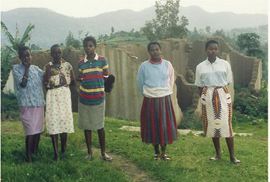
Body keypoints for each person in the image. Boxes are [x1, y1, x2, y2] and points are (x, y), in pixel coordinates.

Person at [194, 40, 241, 164]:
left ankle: (232, 156)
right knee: (213, 124)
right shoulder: (200, 66)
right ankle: (218, 153)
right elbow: (199, 84)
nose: (213, 51)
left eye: (215, 49)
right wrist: (204, 96)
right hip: (208, 95)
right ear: (206, 50)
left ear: (218, 50)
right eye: (210, 49)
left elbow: (228, 80)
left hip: (221, 94)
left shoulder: (224, 64)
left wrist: (219, 92)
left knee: (226, 124)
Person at [137, 42, 177, 161]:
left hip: (164, 98)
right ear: (149, 52)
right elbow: (140, 83)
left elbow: (171, 80)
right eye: (152, 50)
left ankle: (164, 153)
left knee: (164, 125)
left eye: (157, 49)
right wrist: (147, 93)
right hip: (150, 98)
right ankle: (156, 152)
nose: (155, 52)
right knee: (153, 124)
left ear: (161, 50)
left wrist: (164, 91)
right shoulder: (144, 66)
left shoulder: (167, 64)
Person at [78, 36, 112, 161]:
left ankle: (103, 153)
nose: (88, 48)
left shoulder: (103, 61)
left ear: (95, 46)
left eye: (90, 46)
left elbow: (105, 77)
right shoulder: (81, 63)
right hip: (85, 99)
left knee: (99, 126)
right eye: (86, 46)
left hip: (98, 99)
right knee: (87, 126)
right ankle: (90, 153)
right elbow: (81, 78)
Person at [13, 46, 46, 163]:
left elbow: (46, 77)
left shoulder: (36, 69)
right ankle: (28, 156)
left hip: (38, 103)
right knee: (31, 130)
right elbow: (22, 84)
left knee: (38, 130)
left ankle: (35, 151)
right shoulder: (16, 69)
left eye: (28, 55)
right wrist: (26, 69)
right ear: (20, 57)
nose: (27, 58)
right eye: (24, 56)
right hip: (26, 104)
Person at [43, 44, 75, 162]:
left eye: (59, 52)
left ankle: (64, 149)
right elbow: (45, 84)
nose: (57, 55)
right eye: (55, 53)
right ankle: (56, 153)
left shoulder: (68, 66)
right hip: (52, 95)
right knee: (53, 121)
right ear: (51, 54)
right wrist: (51, 84)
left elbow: (72, 82)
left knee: (64, 120)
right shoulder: (47, 67)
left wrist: (65, 81)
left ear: (62, 53)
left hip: (64, 95)